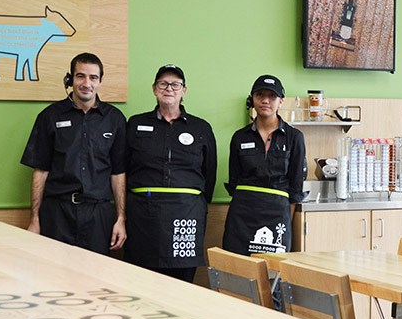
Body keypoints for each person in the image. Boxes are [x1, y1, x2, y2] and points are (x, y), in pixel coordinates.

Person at [20, 52, 127, 254]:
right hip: (57, 212)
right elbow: (40, 171)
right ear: (70, 79)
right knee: (53, 274)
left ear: (100, 81)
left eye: (93, 77)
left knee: (96, 276)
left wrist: (121, 219)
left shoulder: (115, 119)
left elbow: (118, 173)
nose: (87, 83)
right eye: (81, 76)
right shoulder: (49, 116)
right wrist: (34, 219)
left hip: (98, 214)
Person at [124, 65, 217, 282]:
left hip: (187, 215)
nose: (169, 88)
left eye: (175, 84)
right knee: (140, 280)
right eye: (163, 84)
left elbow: (209, 174)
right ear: (154, 89)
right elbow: (123, 168)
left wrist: (198, 205)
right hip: (143, 216)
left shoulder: (201, 128)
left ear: (184, 90)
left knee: (182, 282)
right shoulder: (136, 124)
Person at [223, 74, 306, 256]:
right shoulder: (239, 137)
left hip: (278, 212)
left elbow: (295, 188)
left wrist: (285, 222)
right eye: (260, 95)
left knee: (273, 273)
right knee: (237, 267)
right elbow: (234, 182)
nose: (265, 101)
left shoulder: (294, 138)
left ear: (281, 102)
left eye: (272, 96)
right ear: (252, 99)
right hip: (242, 214)